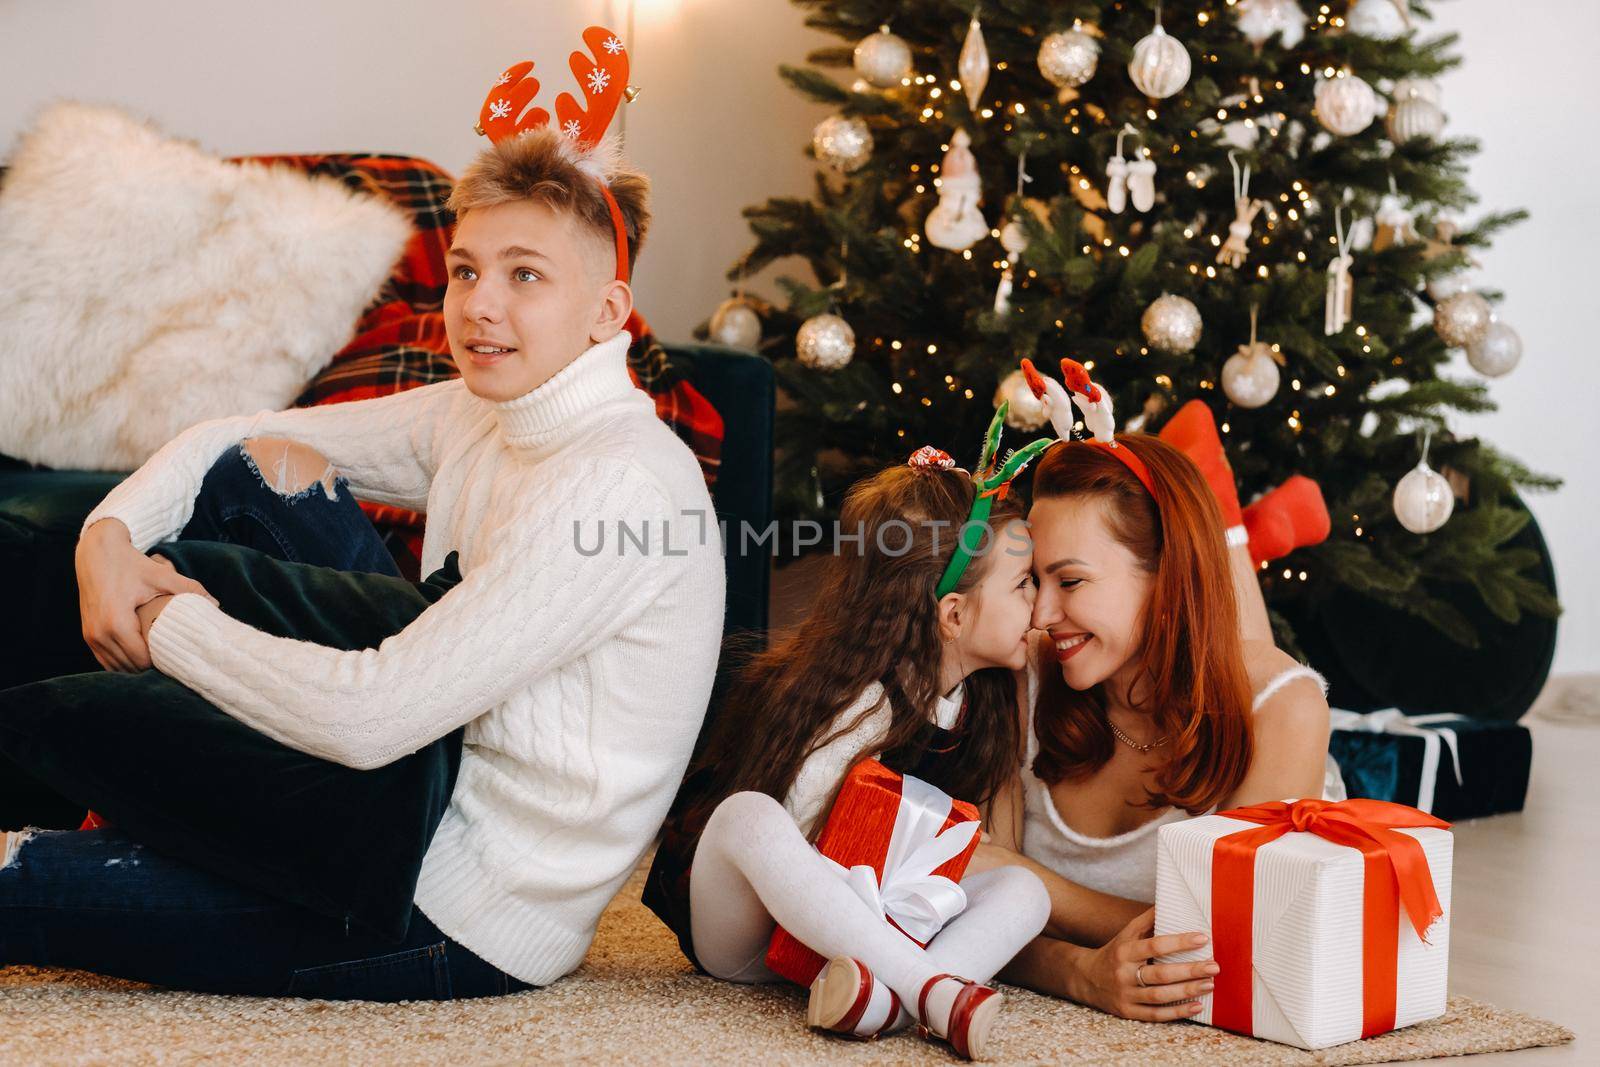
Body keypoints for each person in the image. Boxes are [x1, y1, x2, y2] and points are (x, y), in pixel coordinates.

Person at [0, 120, 725, 999]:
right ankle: (146, 780)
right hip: (412, 775)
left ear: (607, 311)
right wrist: (107, 538)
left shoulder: (621, 485)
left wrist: (164, 621)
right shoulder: (488, 409)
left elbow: (372, 718)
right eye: (466, 270)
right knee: (250, 473)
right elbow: (234, 437)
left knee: (28, 883)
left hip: (458, 905)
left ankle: (128, 798)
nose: (479, 304)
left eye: (525, 274)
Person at [643, 429, 1051, 1062]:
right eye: (1023, 583)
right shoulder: (859, 703)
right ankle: (929, 990)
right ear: (954, 616)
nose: (1041, 602)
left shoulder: (981, 703)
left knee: (1027, 893)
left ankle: (884, 1005)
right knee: (750, 816)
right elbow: (800, 859)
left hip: (869, 942)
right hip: (757, 933)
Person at [975, 416, 1332, 1022]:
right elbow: (974, 909)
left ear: (1168, 572)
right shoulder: (1021, 673)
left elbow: (1232, 947)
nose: (1040, 611)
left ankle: (1233, 523)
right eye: (1034, 580)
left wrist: (1020, 876)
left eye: (1070, 580)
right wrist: (1079, 974)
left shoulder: (1285, 711)